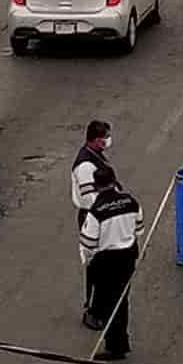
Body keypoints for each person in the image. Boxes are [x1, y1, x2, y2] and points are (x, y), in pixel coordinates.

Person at [79, 165, 142, 361]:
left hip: (107, 260)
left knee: (109, 303)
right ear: (114, 181)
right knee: (122, 299)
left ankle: (115, 346)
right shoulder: (131, 202)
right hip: (128, 256)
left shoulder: (96, 211)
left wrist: (89, 260)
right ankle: (121, 341)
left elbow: (89, 243)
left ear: (96, 186)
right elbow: (139, 229)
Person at [70, 120, 113, 328]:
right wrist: (109, 205)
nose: (108, 140)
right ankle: (92, 310)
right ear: (96, 140)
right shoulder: (86, 165)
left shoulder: (94, 156)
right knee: (95, 263)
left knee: (103, 264)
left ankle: (99, 305)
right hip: (92, 216)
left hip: (99, 214)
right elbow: (89, 198)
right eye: (105, 137)